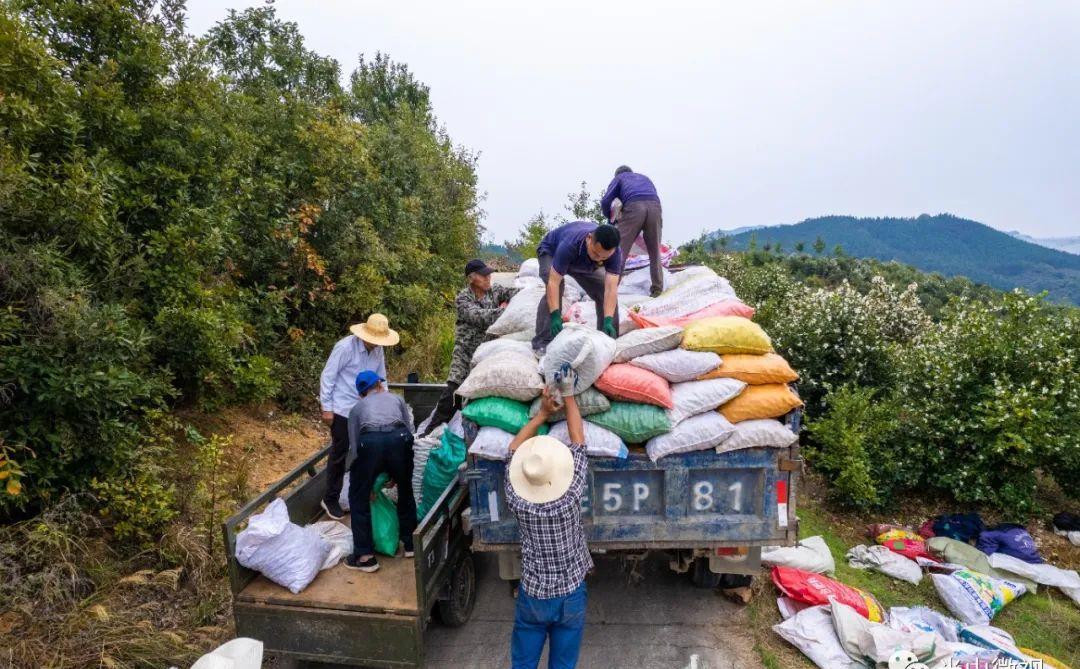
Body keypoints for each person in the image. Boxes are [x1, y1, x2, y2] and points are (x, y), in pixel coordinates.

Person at [505, 375, 591, 669]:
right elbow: (578, 440)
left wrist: (541, 414)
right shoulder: (570, 496)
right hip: (570, 595)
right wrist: (567, 393)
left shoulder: (517, 498)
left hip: (534, 596)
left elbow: (513, 450)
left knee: (523, 662)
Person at [421, 259, 518, 436]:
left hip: (486, 355)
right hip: (465, 353)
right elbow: (480, 318)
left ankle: (469, 436)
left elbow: (516, 294)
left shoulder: (495, 291)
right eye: (484, 275)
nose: (489, 277)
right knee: (453, 393)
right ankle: (429, 433)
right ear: (472, 278)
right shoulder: (463, 298)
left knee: (480, 394)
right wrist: (506, 312)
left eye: (489, 274)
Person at [318, 313, 399, 520]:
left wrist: (384, 402)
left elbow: (382, 378)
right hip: (343, 408)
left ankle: (362, 491)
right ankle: (330, 498)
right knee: (340, 452)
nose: (376, 344)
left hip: (365, 407)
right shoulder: (345, 348)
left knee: (364, 450)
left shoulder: (377, 350)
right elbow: (328, 376)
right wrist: (326, 408)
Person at [344, 370, 417, 573]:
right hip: (400, 439)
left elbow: (355, 447)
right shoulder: (397, 399)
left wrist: (365, 484)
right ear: (379, 385)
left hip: (371, 442)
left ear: (361, 393)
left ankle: (366, 557)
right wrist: (397, 472)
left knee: (358, 498)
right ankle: (410, 544)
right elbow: (409, 431)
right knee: (405, 490)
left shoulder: (357, 409)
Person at [532, 221, 622, 353]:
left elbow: (611, 288)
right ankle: (543, 342)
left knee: (602, 290)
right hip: (551, 252)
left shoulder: (615, 253)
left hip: (583, 263)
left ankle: (608, 340)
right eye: (596, 254)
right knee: (557, 289)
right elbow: (553, 283)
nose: (599, 259)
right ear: (589, 239)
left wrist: (608, 319)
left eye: (604, 257)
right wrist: (556, 315)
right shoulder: (570, 244)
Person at [600, 166, 664, 296]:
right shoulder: (644, 177)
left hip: (634, 206)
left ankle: (610, 290)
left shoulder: (619, 178)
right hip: (655, 207)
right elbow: (651, 194)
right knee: (655, 251)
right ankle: (657, 289)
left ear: (617, 174)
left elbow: (606, 201)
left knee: (619, 251)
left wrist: (610, 219)